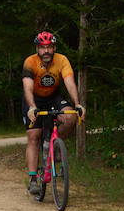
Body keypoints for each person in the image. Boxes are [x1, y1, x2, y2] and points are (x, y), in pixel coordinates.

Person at [22, 31, 85, 196]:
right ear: (37, 49)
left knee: (71, 118)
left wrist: (77, 104)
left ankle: (53, 145)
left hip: (53, 97)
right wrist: (32, 106)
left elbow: (69, 82)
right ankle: (33, 179)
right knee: (34, 136)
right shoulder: (30, 62)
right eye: (42, 48)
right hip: (33, 99)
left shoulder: (62, 60)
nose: (46, 51)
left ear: (54, 48)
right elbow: (27, 87)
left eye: (49, 47)